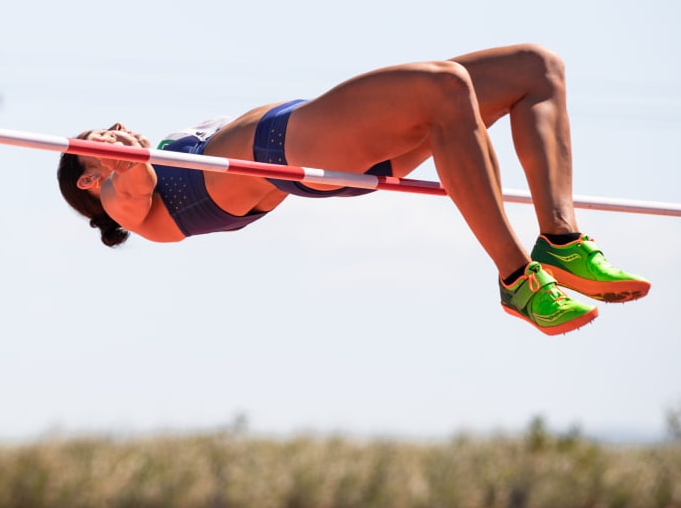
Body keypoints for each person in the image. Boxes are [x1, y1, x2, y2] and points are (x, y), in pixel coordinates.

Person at [57, 44, 650, 336]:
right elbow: (133, 182)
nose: (112, 131)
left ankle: (561, 238)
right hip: (293, 148)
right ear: (91, 176)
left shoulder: (156, 156)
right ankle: (517, 279)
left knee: (533, 68)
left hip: (330, 143)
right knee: (446, 86)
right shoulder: (128, 202)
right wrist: (125, 159)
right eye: (98, 141)